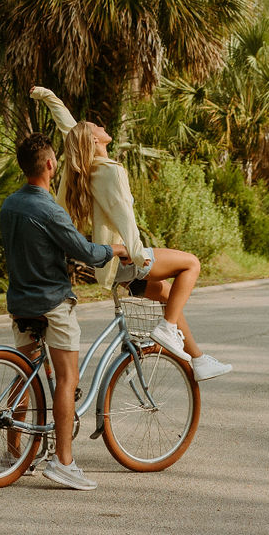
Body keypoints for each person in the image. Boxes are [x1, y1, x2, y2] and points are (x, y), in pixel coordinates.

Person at [31, 85, 232, 383]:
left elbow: (68, 127)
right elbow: (126, 220)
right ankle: (163, 332)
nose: (101, 125)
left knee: (166, 295)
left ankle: (198, 360)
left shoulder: (85, 166)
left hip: (110, 265)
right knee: (191, 264)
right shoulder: (111, 171)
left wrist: (48, 97)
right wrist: (141, 258)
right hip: (125, 257)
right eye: (96, 126)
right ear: (96, 140)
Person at [0, 131, 130, 491]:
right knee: (66, 379)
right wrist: (117, 250)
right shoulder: (48, 208)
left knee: (21, 375)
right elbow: (85, 252)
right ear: (50, 164)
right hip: (52, 302)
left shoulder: (10, 205)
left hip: (20, 302)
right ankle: (64, 462)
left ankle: (13, 455)